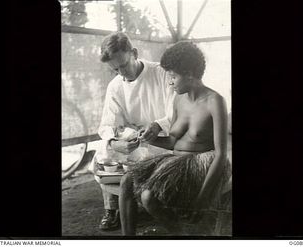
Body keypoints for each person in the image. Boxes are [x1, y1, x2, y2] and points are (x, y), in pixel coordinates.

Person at [119, 41, 231, 235]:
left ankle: (180, 235)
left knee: (148, 197)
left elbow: (221, 154)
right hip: (175, 162)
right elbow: (172, 140)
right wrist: (150, 138)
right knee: (127, 181)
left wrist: (202, 199)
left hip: (201, 164)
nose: (169, 82)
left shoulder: (215, 101)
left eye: (172, 76)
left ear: (189, 73)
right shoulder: (179, 99)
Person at [96, 31, 175, 231]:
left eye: (123, 65)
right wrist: (115, 142)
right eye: (115, 69)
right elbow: (107, 125)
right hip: (141, 144)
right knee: (104, 154)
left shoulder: (161, 73)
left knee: (128, 182)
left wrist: (158, 125)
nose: (121, 73)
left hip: (167, 143)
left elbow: (178, 112)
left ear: (134, 53)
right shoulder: (115, 86)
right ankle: (114, 211)